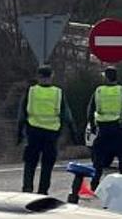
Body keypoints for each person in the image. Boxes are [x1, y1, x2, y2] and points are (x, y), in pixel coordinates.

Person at [16, 64, 79, 195]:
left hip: (33, 132)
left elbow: (22, 113)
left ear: (38, 77)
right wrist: (73, 132)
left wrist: (19, 132)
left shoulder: (31, 91)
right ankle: (43, 191)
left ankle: (27, 188)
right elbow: (66, 114)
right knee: (47, 164)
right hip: (51, 133)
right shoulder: (57, 93)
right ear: (51, 77)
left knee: (30, 162)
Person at [87, 67, 122, 189]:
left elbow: (90, 110)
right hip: (119, 129)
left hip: (103, 130)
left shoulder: (99, 91)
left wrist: (92, 125)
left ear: (106, 77)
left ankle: (94, 184)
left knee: (98, 159)